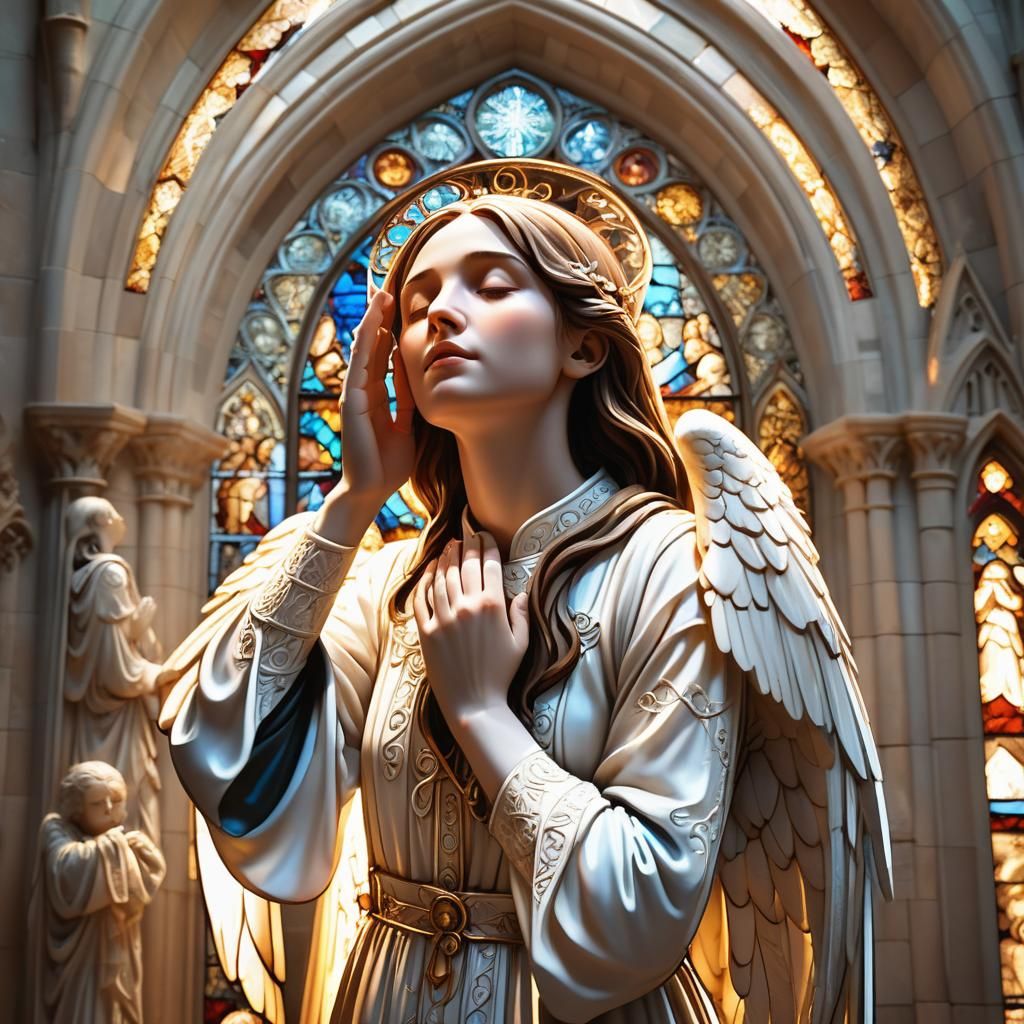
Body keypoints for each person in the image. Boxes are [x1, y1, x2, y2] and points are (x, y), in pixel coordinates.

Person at [164, 161, 889, 1023]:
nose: (439, 312)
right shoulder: (387, 584)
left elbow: (642, 905)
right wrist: (353, 500)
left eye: (491, 284)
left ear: (583, 344)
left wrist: (479, 711)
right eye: (421, 295)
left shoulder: (673, 568)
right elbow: (229, 769)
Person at [29, 761, 166, 1024]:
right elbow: (66, 875)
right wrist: (115, 848)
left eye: (115, 800)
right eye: (96, 803)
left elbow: (139, 898)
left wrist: (144, 859)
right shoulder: (56, 829)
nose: (108, 809)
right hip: (76, 966)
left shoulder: (124, 841)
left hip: (117, 953)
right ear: (77, 808)